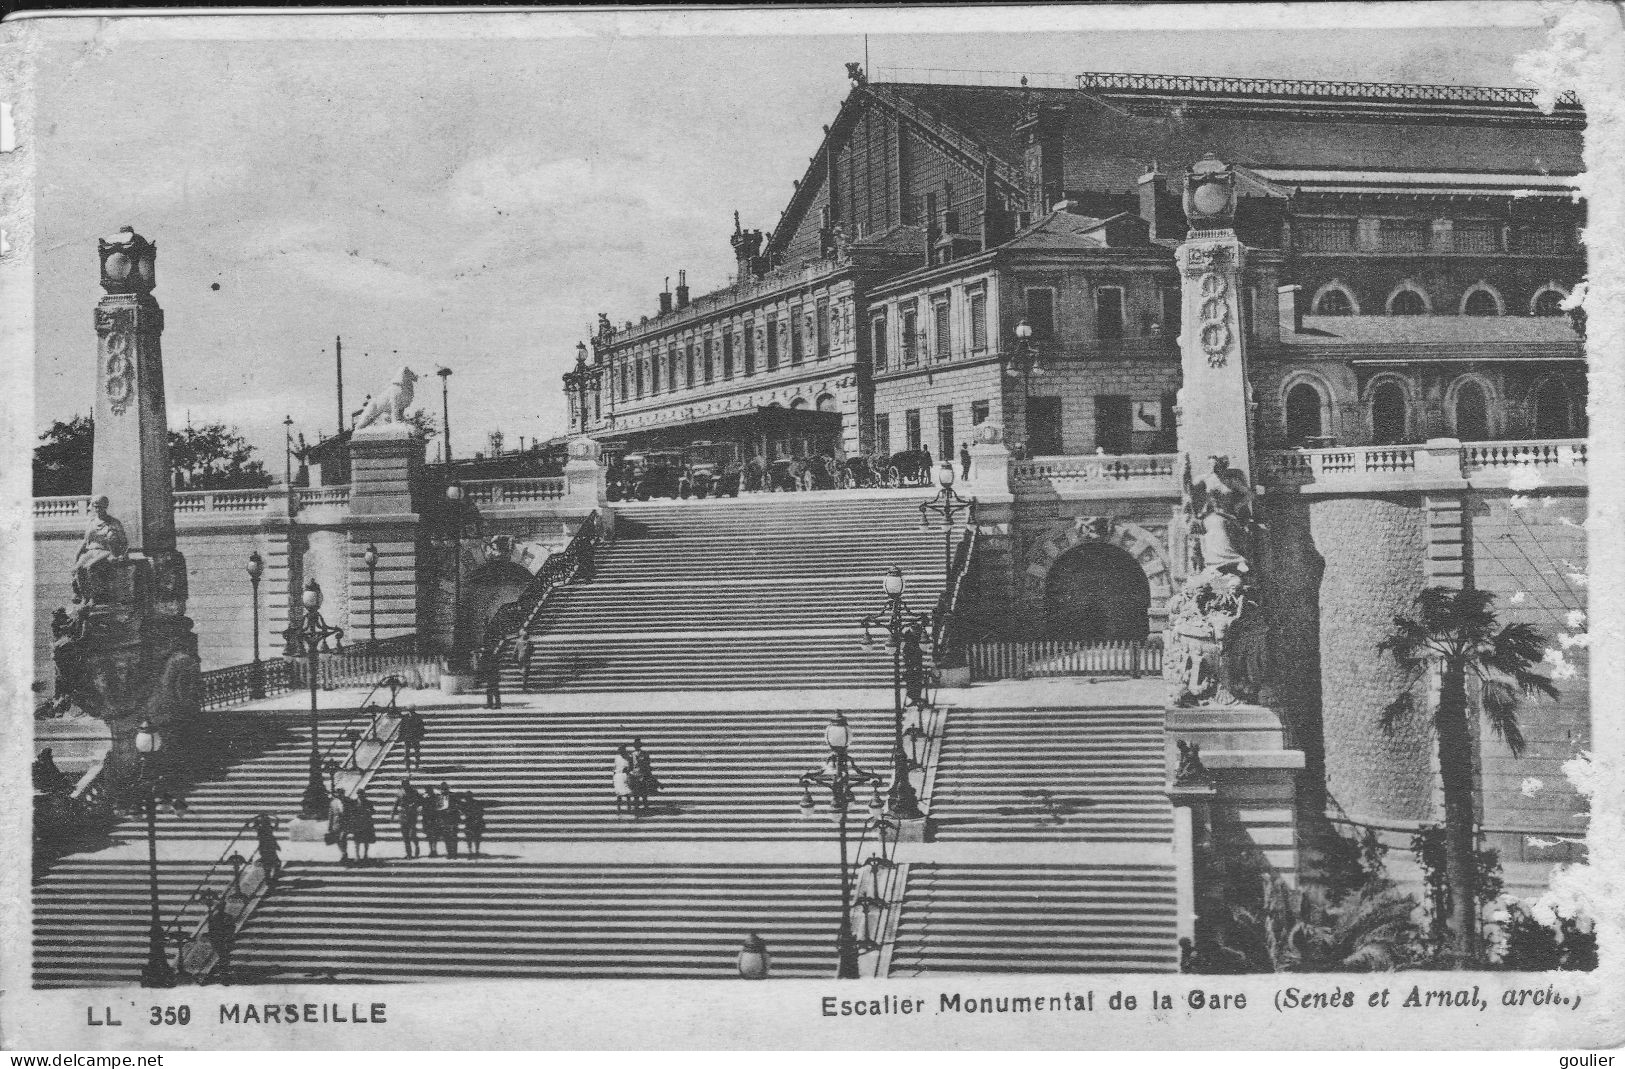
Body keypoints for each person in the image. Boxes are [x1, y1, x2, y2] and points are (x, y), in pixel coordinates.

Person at [72, 495, 129, 603]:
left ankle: (96, 597)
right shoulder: (91, 522)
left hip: (106, 551)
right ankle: (85, 596)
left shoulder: (114, 523)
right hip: (91, 551)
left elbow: (124, 542)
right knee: (78, 568)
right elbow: (85, 541)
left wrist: (122, 555)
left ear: (105, 507)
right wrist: (76, 556)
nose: (98, 509)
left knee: (90, 567)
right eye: (96, 506)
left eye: (100, 507)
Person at [390, 780, 422, 858]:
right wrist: (393, 814)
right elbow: (396, 803)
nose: (405, 786)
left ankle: (417, 849)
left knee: (412, 835)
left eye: (406, 785)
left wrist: (415, 806)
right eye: (403, 785)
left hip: (412, 815)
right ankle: (409, 854)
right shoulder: (400, 793)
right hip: (403, 816)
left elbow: (420, 801)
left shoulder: (414, 792)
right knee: (405, 836)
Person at [629, 738, 659, 815]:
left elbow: (647, 764)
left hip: (641, 775)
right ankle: (638, 808)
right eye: (636, 745)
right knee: (637, 794)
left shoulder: (644, 754)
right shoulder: (632, 754)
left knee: (643, 793)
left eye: (638, 745)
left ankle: (644, 808)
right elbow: (631, 765)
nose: (637, 746)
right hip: (636, 775)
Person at [253, 813, 282, 881]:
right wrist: (277, 819)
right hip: (267, 847)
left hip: (268, 847)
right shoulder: (262, 829)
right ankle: (270, 877)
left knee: (271, 862)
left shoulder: (262, 828)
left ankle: (270, 877)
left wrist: (256, 819)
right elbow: (275, 828)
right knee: (272, 862)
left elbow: (275, 828)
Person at [350, 789, 377, 862]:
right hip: (357, 824)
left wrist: (369, 811)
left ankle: (365, 855)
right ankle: (357, 855)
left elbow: (373, 811)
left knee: (366, 841)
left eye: (361, 794)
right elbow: (351, 813)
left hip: (366, 824)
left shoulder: (368, 802)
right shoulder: (354, 802)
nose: (360, 795)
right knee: (356, 841)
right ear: (357, 794)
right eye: (359, 794)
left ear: (364, 794)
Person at [436, 780, 460, 857]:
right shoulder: (439, 797)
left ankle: (455, 852)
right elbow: (438, 808)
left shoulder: (453, 796)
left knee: (454, 836)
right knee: (446, 837)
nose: (443, 790)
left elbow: (458, 806)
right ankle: (449, 853)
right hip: (444, 820)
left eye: (445, 789)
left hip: (452, 819)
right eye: (442, 789)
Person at [419, 784, 443, 857]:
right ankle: (431, 850)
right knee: (429, 835)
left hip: (434, 818)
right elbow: (421, 807)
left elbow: (439, 806)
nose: (428, 791)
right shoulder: (424, 797)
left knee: (434, 835)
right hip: (426, 818)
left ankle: (434, 850)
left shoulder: (436, 797)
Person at [327, 790, 350, 862]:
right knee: (338, 840)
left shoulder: (348, 801)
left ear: (343, 794)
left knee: (342, 838)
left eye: (341, 794)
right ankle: (343, 853)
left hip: (345, 823)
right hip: (336, 823)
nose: (340, 795)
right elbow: (331, 815)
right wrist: (329, 825)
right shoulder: (333, 803)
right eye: (338, 794)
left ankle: (344, 853)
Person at [460, 791, 486, 857]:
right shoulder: (464, 805)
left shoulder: (476, 803)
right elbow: (462, 813)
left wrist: (476, 818)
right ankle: (470, 851)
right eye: (466, 797)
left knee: (476, 838)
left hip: (476, 823)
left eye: (468, 797)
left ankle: (476, 851)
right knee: (469, 838)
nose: (467, 798)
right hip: (469, 823)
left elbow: (482, 812)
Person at [481, 642, 504, 710]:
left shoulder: (493, 654)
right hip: (491, 673)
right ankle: (491, 704)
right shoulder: (493, 654)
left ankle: (496, 704)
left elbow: (486, 651)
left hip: (493, 673)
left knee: (494, 690)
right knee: (490, 690)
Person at [613, 746, 633, 816]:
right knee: (619, 794)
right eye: (620, 751)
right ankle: (619, 809)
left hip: (625, 776)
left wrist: (628, 770)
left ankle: (629, 809)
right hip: (618, 776)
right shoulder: (617, 757)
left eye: (622, 751)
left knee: (627, 793)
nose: (621, 752)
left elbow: (631, 767)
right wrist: (614, 777)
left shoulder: (629, 757)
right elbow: (614, 767)